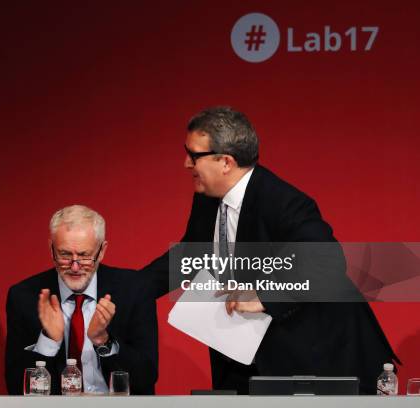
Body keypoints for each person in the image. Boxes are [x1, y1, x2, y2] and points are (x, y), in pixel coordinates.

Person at [142, 106, 399, 394]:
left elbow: (327, 262)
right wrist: (127, 291)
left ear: (225, 162)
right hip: (246, 354)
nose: (186, 164)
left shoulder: (281, 201)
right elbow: (188, 256)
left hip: (318, 357)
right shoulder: (208, 199)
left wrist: (264, 294)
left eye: (194, 155)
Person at [5, 205, 158, 395]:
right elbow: (14, 386)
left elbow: (146, 378)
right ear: (51, 250)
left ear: (101, 251)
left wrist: (104, 341)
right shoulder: (24, 296)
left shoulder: (134, 289)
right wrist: (48, 341)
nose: (75, 267)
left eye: (84, 256)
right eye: (65, 255)